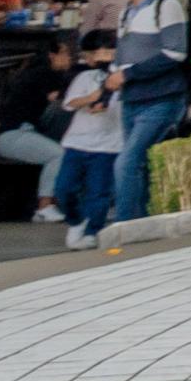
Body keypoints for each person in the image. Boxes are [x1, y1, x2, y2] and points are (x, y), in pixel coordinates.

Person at [113, 0, 191, 213]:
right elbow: (121, 58)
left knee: (127, 162)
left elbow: (175, 52)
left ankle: (124, 224)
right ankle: (141, 220)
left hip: (161, 97)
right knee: (139, 163)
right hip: (131, 97)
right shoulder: (126, 11)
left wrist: (129, 74)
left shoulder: (166, 5)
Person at [48, 43, 131, 249]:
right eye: (99, 53)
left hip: (109, 144)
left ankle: (93, 230)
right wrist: (93, 97)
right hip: (78, 141)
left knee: (98, 192)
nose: (104, 57)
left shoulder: (127, 78)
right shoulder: (85, 77)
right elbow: (69, 103)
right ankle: (76, 221)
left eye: (109, 52)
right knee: (63, 188)